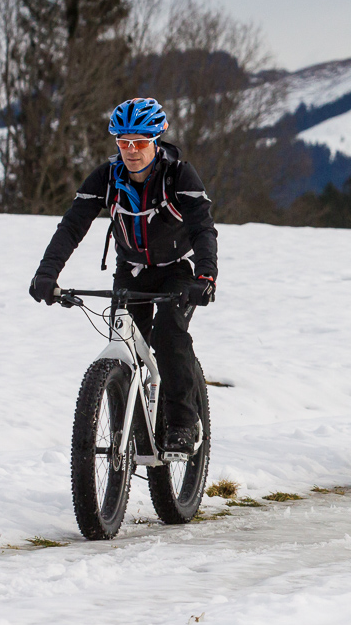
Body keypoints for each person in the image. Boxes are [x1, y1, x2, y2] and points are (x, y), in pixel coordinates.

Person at [29, 97, 218, 453]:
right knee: (124, 345)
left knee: (167, 333)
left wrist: (206, 276)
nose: (132, 150)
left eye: (141, 142)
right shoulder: (107, 177)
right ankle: (127, 422)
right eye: (124, 142)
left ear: (157, 140)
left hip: (179, 272)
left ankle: (181, 421)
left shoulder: (179, 175)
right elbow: (72, 226)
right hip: (130, 272)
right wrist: (46, 274)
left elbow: (203, 228)